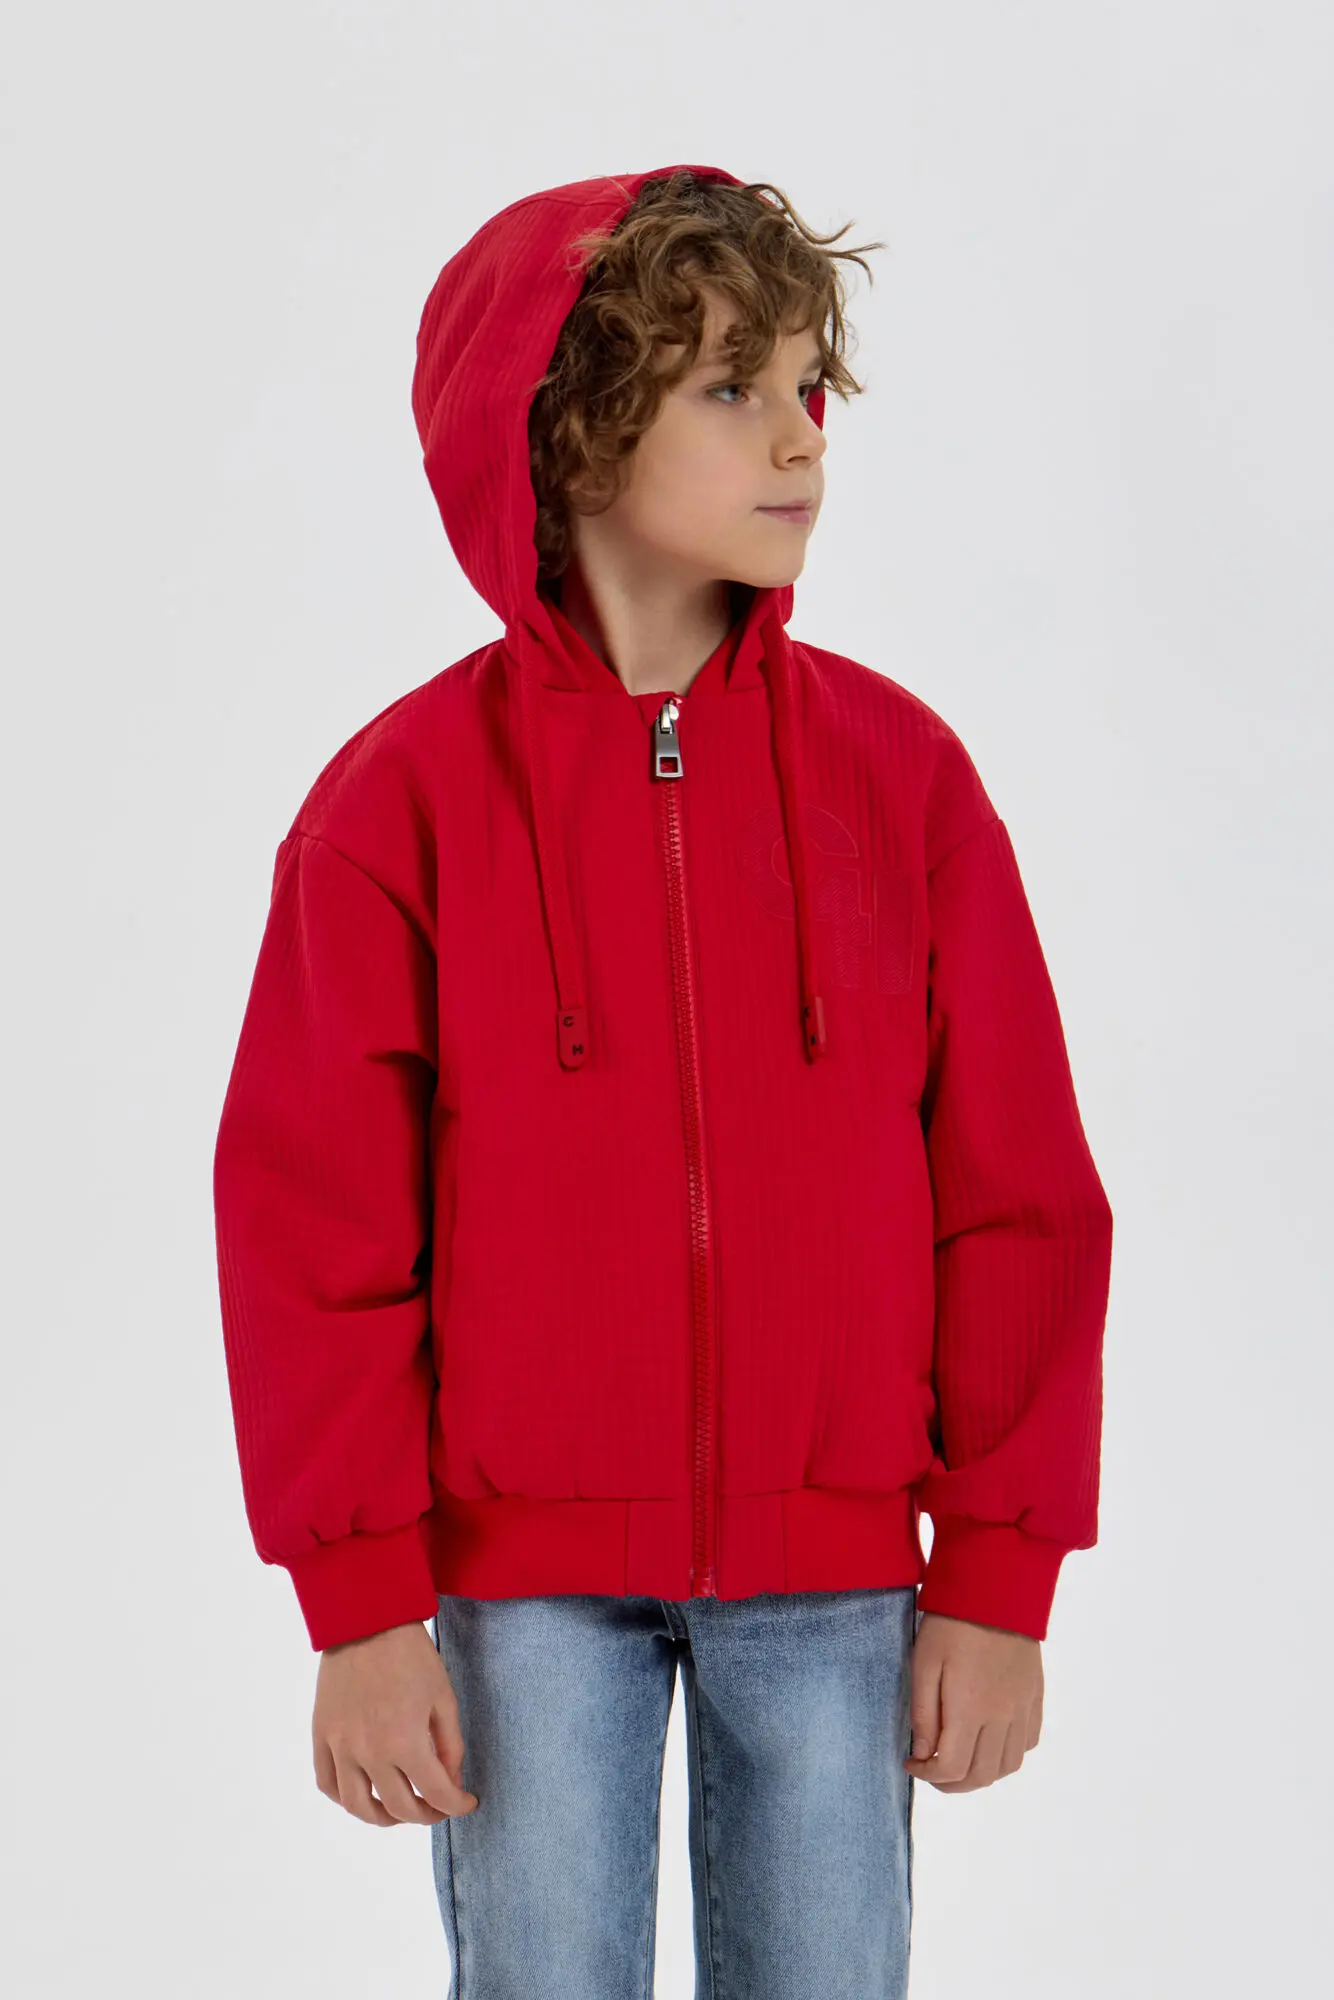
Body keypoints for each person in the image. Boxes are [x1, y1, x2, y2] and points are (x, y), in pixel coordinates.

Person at [212, 163, 1114, 1998]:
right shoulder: (399, 807)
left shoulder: (900, 780)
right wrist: (362, 1604)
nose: (799, 438)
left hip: (837, 1573)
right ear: (565, 433)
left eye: (807, 385)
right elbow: (311, 1224)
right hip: (521, 1590)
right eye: (730, 387)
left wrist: (998, 1569)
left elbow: (1016, 1190)